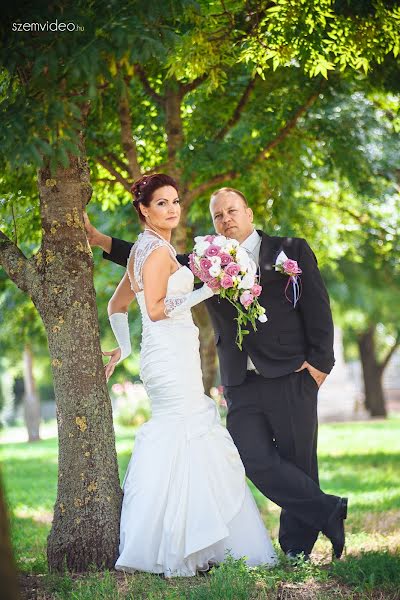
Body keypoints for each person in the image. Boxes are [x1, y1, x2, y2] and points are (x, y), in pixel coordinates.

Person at [85, 183, 348, 562]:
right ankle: (328, 509)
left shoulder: (290, 250)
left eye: (232, 211)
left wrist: (321, 365)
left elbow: (318, 308)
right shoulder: (207, 260)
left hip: (293, 374)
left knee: (297, 461)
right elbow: (152, 261)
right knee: (248, 455)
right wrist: (101, 240)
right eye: (218, 215)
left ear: (249, 214)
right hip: (240, 381)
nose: (226, 219)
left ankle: (295, 548)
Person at [98, 174, 277, 577]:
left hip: (160, 356)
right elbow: (159, 309)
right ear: (144, 210)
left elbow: (116, 305)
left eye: (175, 201)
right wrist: (209, 288)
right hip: (171, 356)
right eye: (161, 203)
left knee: (177, 433)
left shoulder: (141, 251)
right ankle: (190, 545)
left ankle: (171, 539)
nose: (172, 209)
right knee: (188, 431)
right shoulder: (157, 252)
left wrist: (124, 348)